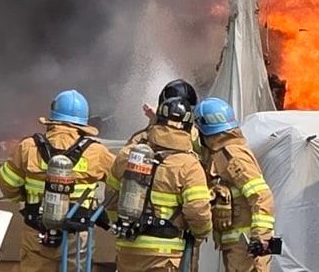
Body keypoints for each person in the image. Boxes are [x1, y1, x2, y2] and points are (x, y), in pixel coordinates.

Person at [0, 90, 116, 272]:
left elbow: (6, 182)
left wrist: (26, 197)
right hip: (77, 237)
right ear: (82, 121)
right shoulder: (97, 152)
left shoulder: (28, 147)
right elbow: (121, 183)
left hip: (37, 232)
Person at [106, 92, 214, 272]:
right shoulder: (189, 165)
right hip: (164, 253)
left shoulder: (129, 155)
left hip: (128, 248)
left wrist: (121, 224)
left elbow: (110, 197)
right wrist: (201, 232)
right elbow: (198, 211)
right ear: (188, 128)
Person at [194, 97, 277, 271]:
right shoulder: (219, 152)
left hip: (248, 248)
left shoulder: (233, 156)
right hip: (238, 246)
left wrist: (260, 238)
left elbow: (262, 195)